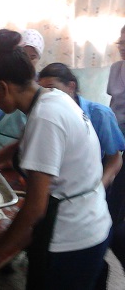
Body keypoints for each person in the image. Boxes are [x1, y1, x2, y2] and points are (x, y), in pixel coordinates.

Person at [0, 29, 112, 290]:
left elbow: (35, 206)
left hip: (71, 237)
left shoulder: (46, 117)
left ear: (3, 87)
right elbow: (23, 144)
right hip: (92, 221)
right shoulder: (51, 98)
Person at [38, 62, 125, 189]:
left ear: (71, 87)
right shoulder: (45, 115)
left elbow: (115, 159)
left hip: (88, 183)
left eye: (52, 89)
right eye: (42, 90)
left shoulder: (100, 115)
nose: (47, 95)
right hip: (58, 182)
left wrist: (99, 188)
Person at [105, 24, 125, 274]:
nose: (121, 46)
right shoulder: (115, 68)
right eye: (121, 41)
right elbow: (113, 104)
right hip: (117, 133)